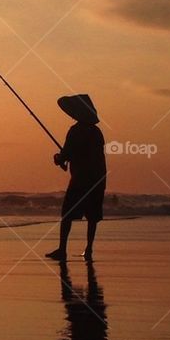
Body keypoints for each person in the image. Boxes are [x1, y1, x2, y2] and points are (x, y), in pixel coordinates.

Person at [45, 93, 106, 262]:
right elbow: (87, 154)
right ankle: (89, 249)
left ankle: (62, 249)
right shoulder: (96, 132)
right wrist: (67, 159)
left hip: (81, 179)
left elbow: (65, 154)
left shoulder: (76, 131)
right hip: (98, 178)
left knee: (67, 214)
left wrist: (59, 158)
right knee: (92, 216)